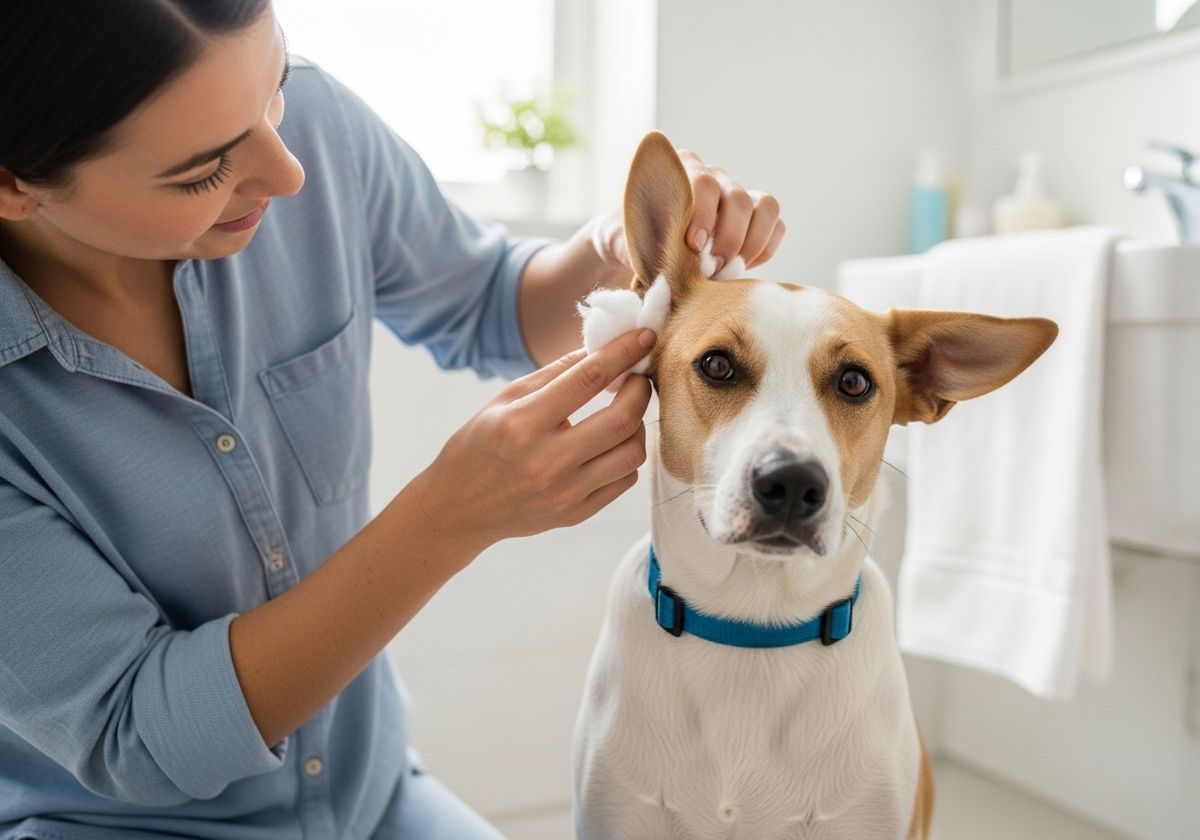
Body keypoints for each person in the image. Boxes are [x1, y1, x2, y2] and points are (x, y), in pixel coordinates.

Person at [0, 2, 785, 838]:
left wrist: (615, 247)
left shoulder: (318, 131)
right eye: (203, 172)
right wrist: (449, 518)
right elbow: (140, 736)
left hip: (369, 795)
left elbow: (489, 301)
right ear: (14, 183)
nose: (292, 172)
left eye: (272, 90)